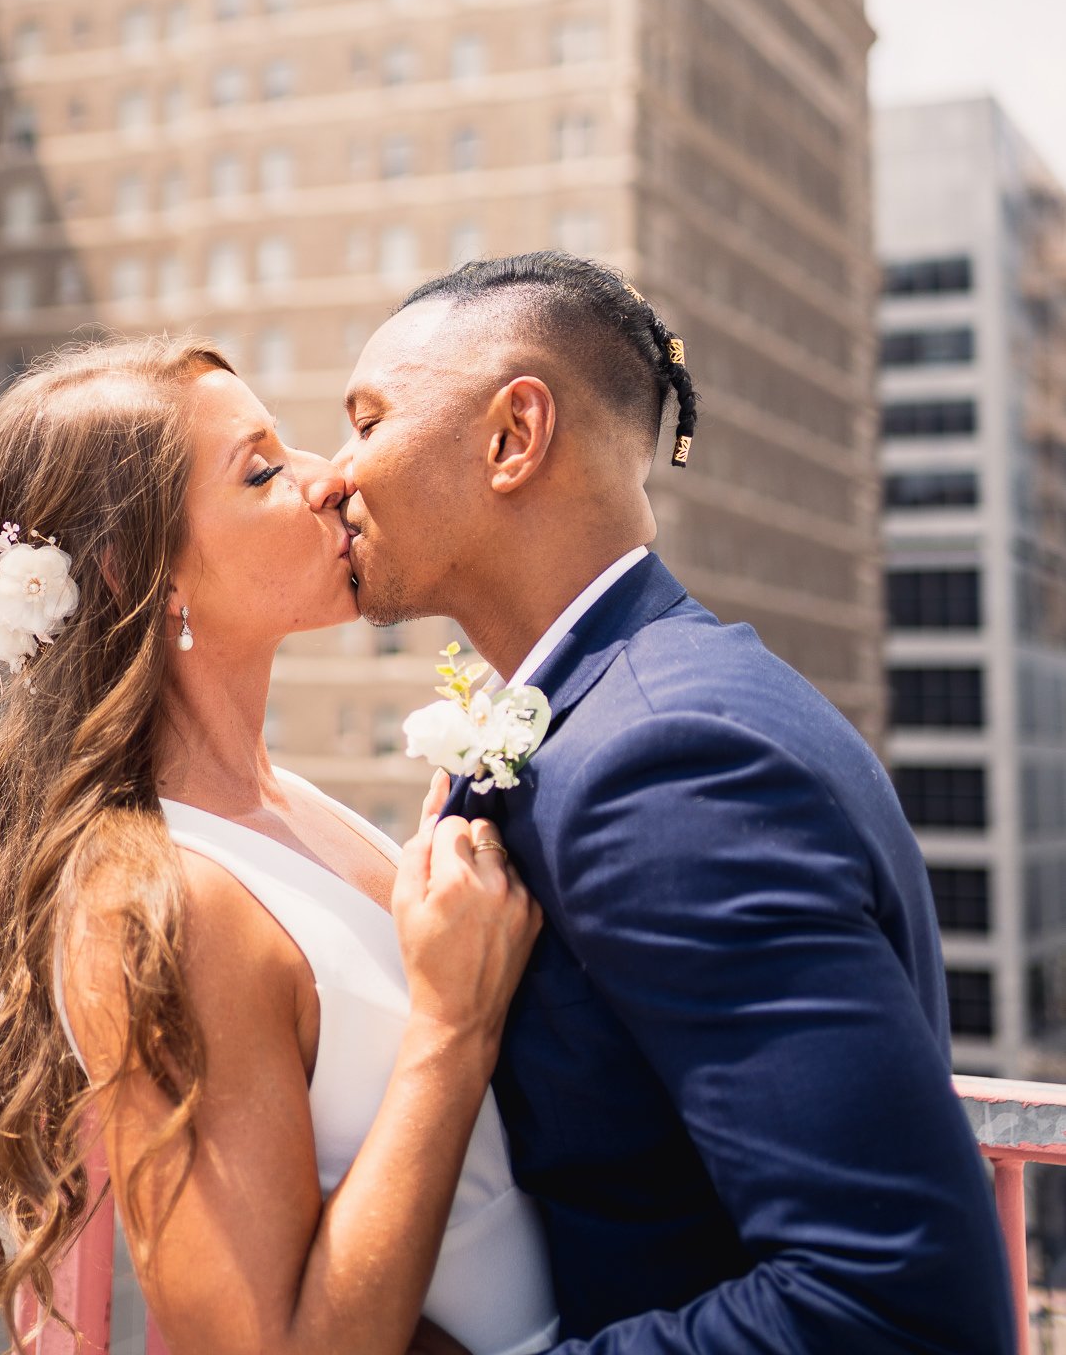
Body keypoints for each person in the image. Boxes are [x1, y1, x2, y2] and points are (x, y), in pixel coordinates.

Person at [336, 251, 1015, 1355]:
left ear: (514, 435)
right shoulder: (623, 708)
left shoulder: (664, 761)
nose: (335, 471)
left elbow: (896, 1304)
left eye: (368, 420)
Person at [0, 336, 558, 1355]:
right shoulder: (154, 899)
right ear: (144, 572)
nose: (330, 478)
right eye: (263, 470)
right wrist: (454, 1024)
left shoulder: (294, 805)